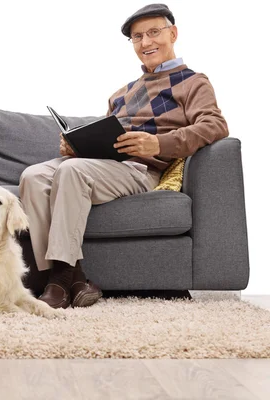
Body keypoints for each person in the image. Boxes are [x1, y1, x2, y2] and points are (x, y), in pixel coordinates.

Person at [19, 3, 229, 309]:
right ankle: (66, 277)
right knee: (33, 176)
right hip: (106, 166)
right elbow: (109, 139)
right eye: (137, 37)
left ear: (173, 33)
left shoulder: (193, 82)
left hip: (141, 170)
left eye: (154, 32)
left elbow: (215, 125)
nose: (146, 43)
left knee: (72, 172)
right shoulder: (122, 93)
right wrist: (76, 147)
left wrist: (157, 144)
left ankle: (61, 280)